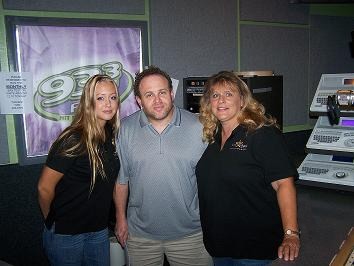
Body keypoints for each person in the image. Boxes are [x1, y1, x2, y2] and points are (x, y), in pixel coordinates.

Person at [196, 71, 300, 266]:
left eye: (229, 94)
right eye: (215, 95)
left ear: (242, 100)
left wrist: (291, 233)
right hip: (219, 245)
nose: (221, 100)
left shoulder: (262, 134)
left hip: (253, 249)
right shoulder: (211, 138)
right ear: (209, 103)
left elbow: (284, 184)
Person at [114, 66, 212, 266]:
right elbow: (121, 182)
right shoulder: (124, 130)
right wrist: (120, 219)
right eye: (149, 95)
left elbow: (214, 181)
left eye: (162, 93)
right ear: (139, 101)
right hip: (140, 237)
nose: (157, 100)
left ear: (171, 93)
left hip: (191, 235)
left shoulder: (200, 127)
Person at [37, 74, 120, 266]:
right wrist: (52, 222)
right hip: (67, 234)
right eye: (100, 98)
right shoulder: (73, 139)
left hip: (98, 230)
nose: (108, 103)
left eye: (113, 97)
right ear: (88, 102)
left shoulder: (111, 135)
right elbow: (44, 188)